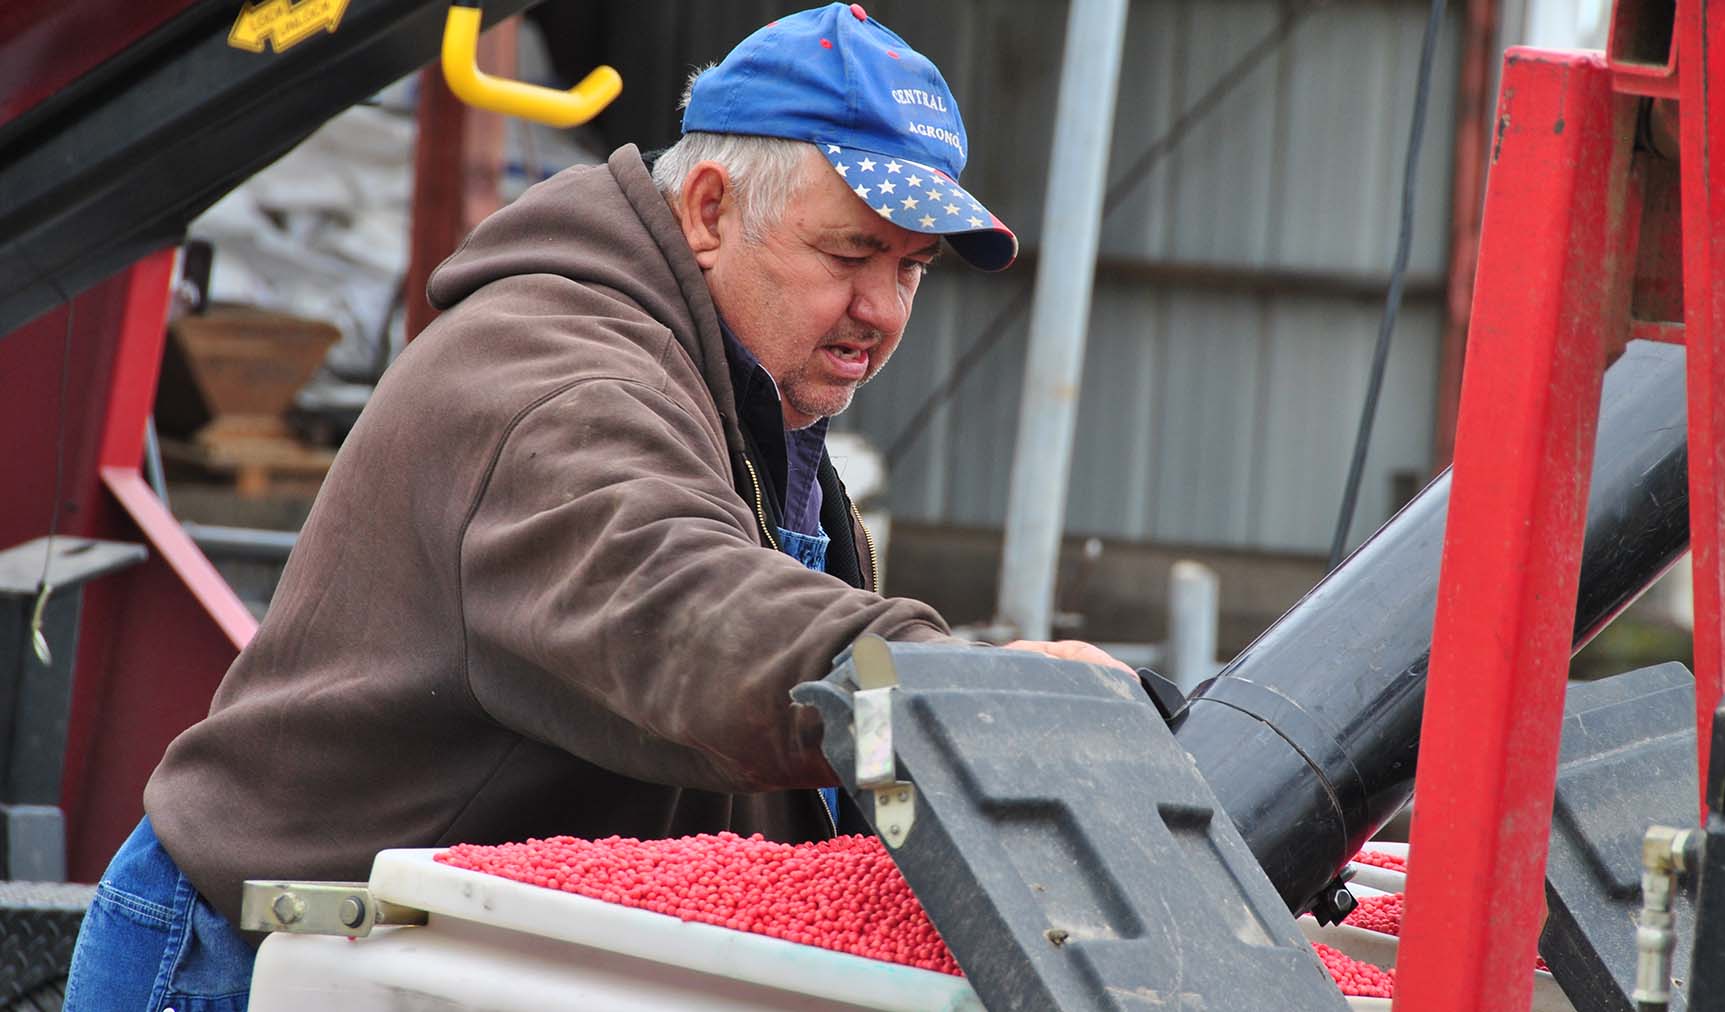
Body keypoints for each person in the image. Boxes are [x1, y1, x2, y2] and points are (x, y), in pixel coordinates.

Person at [63, 5, 1127, 1008]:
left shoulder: (755, 401)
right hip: (259, 956)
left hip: (444, 953)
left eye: (912, 270)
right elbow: (683, 607)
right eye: (851, 254)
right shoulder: (561, 383)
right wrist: (964, 688)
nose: (880, 313)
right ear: (709, 210)